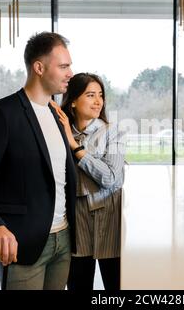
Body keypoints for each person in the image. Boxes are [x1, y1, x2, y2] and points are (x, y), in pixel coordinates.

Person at [0, 32, 77, 289]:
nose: (70, 73)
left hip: (63, 239)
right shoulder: (1, 114)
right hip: (23, 242)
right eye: (64, 66)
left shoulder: (57, 116)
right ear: (39, 67)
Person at [50, 73, 125, 290]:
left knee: (115, 286)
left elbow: (111, 178)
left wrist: (76, 148)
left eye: (100, 95)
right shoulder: (58, 133)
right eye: (90, 95)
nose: (98, 101)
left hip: (109, 219)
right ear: (73, 100)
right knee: (78, 284)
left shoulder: (114, 133)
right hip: (75, 220)